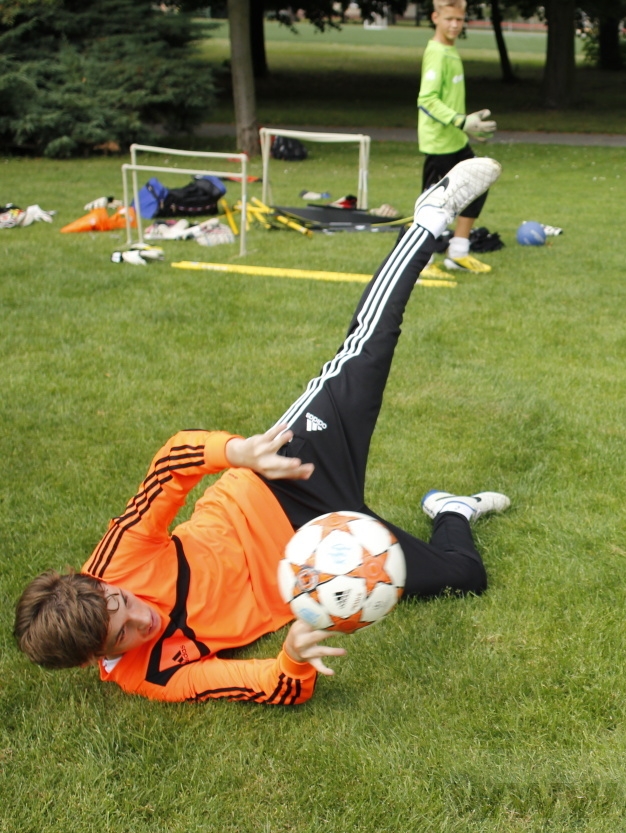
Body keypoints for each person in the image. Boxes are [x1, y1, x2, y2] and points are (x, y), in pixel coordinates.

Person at [13, 159, 511, 705]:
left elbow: (173, 462)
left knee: (366, 353)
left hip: (278, 481)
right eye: (123, 633)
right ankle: (452, 511)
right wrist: (292, 657)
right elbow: (264, 685)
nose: (141, 615)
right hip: (318, 570)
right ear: (96, 659)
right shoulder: (149, 676)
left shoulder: (116, 561)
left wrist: (240, 452)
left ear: (100, 584)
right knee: (466, 577)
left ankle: (428, 220)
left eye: (121, 603)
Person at [417, 0, 497, 280]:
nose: (454, 25)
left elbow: (448, 101)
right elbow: (426, 100)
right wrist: (461, 121)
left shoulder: (450, 51)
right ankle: (421, 261)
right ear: (435, 17)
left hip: (454, 139)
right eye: (448, 19)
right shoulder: (436, 53)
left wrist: (467, 128)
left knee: (480, 181)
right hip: (438, 143)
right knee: (432, 205)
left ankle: (458, 253)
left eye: (459, 20)